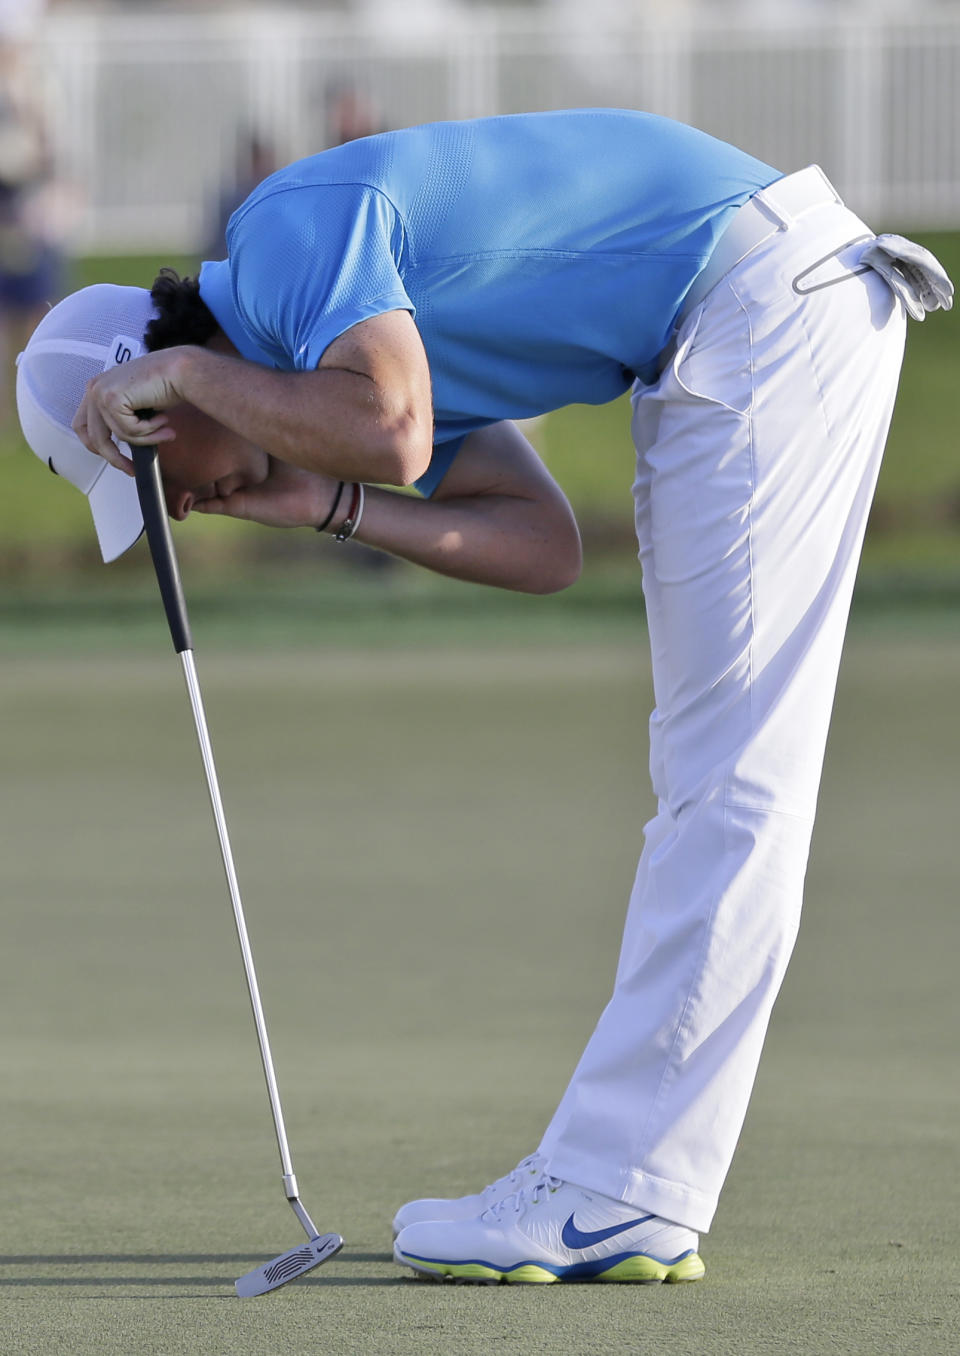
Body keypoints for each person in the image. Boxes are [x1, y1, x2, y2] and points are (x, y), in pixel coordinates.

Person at [16, 109, 952, 1285]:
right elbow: (540, 543)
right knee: (720, 773)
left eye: (155, 489)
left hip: (757, 304)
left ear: (151, 399)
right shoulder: (318, 347)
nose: (182, 516)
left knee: (729, 776)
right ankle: (629, 1185)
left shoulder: (277, 246)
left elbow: (396, 433)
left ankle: (622, 1191)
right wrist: (324, 507)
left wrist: (202, 372)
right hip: (749, 312)